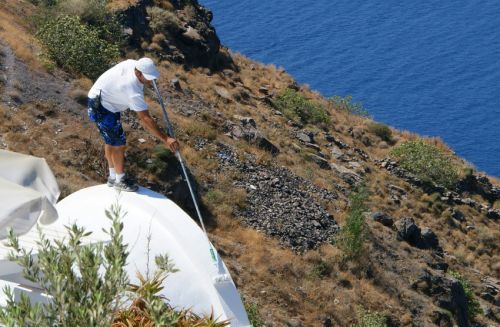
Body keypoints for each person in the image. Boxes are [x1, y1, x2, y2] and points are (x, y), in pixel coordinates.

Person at [87, 57, 179, 192]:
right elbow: (145, 118)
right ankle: (120, 180)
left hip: (101, 98)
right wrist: (165, 139)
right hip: (102, 107)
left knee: (110, 140)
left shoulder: (132, 63)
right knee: (119, 144)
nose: (150, 81)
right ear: (137, 73)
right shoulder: (132, 91)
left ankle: (113, 176)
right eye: (147, 78)